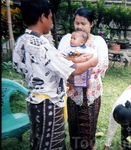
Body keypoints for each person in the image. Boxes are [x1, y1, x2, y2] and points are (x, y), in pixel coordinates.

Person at [13, 0, 98, 149]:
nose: (51, 22)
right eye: (50, 18)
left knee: (39, 139)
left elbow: (17, 67)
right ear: (42, 17)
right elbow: (72, 69)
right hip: (48, 104)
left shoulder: (22, 40)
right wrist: (91, 62)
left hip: (34, 101)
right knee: (51, 143)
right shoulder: (42, 45)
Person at [58, 7, 109, 150]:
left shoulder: (98, 41)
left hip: (91, 92)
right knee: (74, 126)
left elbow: (102, 63)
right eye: (76, 23)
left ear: (91, 24)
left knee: (89, 126)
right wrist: (78, 68)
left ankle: (90, 146)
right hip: (73, 93)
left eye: (83, 23)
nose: (79, 26)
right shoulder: (67, 39)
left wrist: (80, 70)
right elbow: (58, 61)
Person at [61, 30, 97, 97]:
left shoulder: (86, 49)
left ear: (82, 42)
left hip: (84, 67)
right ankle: (72, 89)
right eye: (71, 38)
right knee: (70, 78)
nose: (71, 40)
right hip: (74, 68)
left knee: (88, 78)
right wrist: (61, 54)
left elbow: (92, 54)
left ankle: (89, 89)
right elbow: (63, 54)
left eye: (74, 38)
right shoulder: (69, 48)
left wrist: (88, 57)